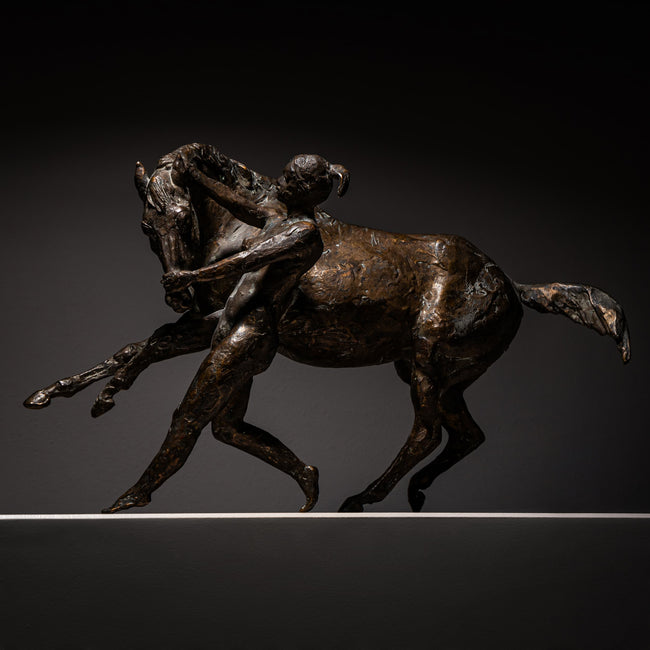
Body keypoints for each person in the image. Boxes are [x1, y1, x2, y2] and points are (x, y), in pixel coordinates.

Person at [103, 153, 349, 513]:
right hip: (231, 324)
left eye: (288, 180)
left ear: (304, 191)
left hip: (252, 335)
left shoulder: (304, 234)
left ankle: (142, 491)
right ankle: (302, 471)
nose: (280, 182)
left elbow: (249, 260)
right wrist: (196, 176)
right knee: (227, 428)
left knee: (187, 417)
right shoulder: (277, 218)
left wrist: (191, 277)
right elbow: (237, 203)